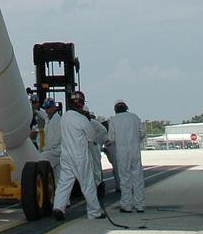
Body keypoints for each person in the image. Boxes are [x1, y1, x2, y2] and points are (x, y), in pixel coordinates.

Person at [52, 91, 105, 222]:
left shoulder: (64, 117)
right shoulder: (81, 119)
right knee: (87, 184)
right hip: (80, 156)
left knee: (64, 183)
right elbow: (92, 137)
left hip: (66, 156)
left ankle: (58, 207)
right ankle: (94, 212)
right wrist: (87, 119)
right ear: (81, 104)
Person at [107, 100, 146, 213]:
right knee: (138, 177)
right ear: (126, 108)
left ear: (115, 109)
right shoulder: (135, 117)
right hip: (135, 151)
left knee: (125, 178)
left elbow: (112, 138)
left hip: (122, 152)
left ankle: (126, 205)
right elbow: (142, 133)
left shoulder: (113, 120)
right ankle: (140, 205)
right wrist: (136, 140)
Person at [40, 98, 62, 174]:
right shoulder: (48, 119)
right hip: (52, 150)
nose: (47, 110)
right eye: (45, 108)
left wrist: (47, 148)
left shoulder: (57, 119)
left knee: (42, 158)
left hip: (56, 150)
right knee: (57, 175)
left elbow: (58, 137)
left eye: (48, 108)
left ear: (54, 107)